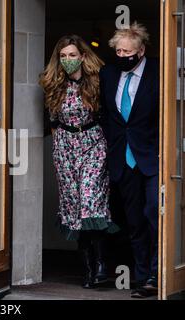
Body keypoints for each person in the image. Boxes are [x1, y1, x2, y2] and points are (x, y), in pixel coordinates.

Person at [39, 35, 118, 289]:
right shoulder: (53, 84)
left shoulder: (97, 80)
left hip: (93, 142)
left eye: (72, 55)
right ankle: (88, 270)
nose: (68, 60)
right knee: (74, 209)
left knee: (91, 201)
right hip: (64, 146)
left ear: (83, 56)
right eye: (63, 56)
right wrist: (59, 151)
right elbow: (51, 121)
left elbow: (108, 114)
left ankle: (103, 266)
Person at [99, 22, 159, 298]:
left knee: (153, 215)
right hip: (122, 159)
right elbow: (108, 117)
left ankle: (160, 275)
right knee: (134, 222)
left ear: (141, 50)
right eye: (118, 51)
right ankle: (143, 277)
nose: (122, 56)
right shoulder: (109, 74)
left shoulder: (158, 72)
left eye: (127, 51)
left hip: (153, 158)